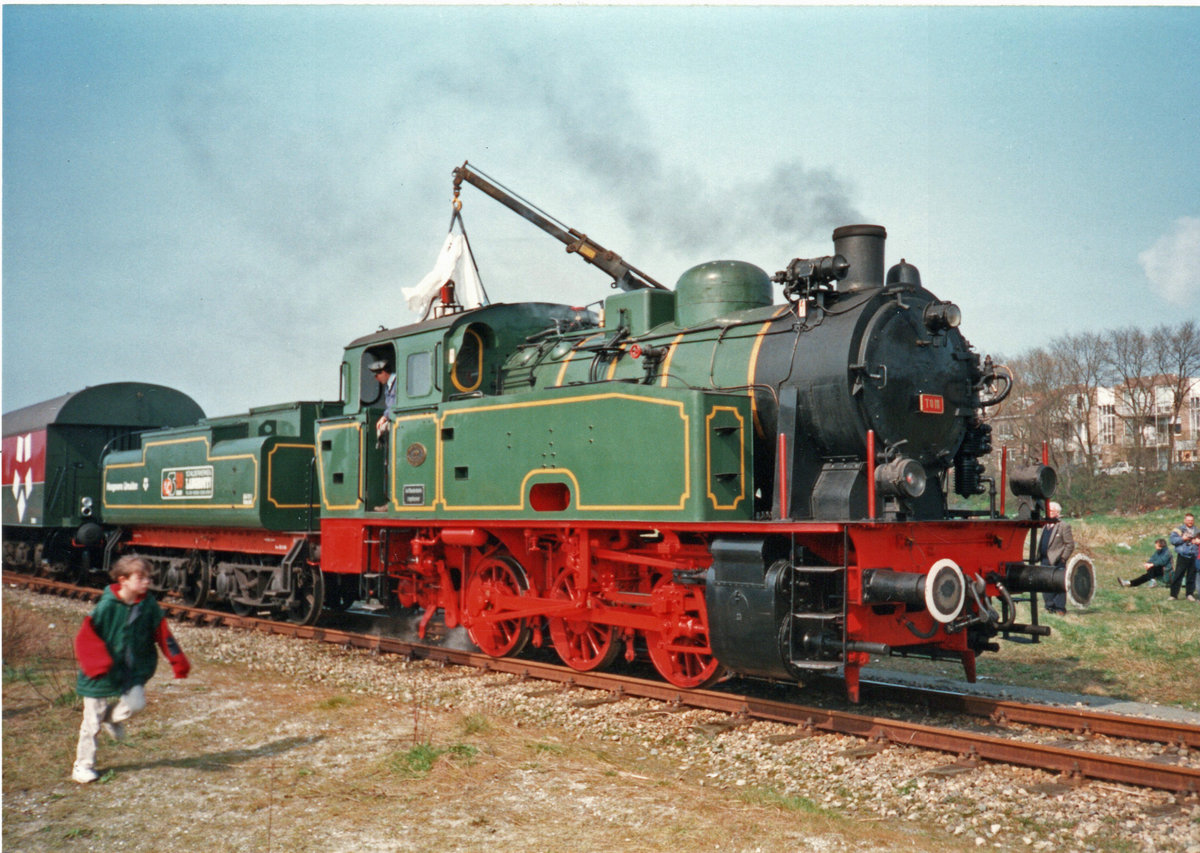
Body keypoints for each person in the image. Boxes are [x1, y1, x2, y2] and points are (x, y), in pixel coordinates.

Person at [72, 555, 190, 783]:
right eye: (141, 578)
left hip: (130, 670)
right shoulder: (107, 606)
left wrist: (178, 661)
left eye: (148, 577)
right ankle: (83, 765)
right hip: (99, 671)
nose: (147, 582)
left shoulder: (148, 606)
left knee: (136, 704)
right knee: (91, 722)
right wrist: (97, 664)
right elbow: (86, 636)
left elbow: (163, 634)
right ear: (123, 580)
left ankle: (112, 718)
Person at [1039, 501, 1076, 615]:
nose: (1048, 513)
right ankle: (1049, 606)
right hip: (1044, 559)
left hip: (1057, 560)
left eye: (1051, 511)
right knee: (1045, 583)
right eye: (1047, 510)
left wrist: (1063, 558)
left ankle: (1060, 608)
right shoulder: (1045, 525)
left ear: (1057, 512)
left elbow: (1070, 544)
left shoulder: (1063, 525)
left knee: (1059, 583)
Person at [1167, 512, 1198, 601]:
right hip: (1183, 555)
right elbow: (1172, 540)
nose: (1190, 522)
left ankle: (1189, 594)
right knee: (1178, 575)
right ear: (1184, 520)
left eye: (1191, 520)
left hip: (1194, 556)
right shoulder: (1178, 530)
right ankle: (1173, 595)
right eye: (1188, 520)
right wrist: (1182, 539)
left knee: (1191, 576)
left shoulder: (1197, 530)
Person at [369, 359, 397, 442]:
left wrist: (384, 417)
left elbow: (394, 404)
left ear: (384, 372)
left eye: (376, 375)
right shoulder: (388, 386)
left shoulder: (397, 383)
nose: (376, 379)